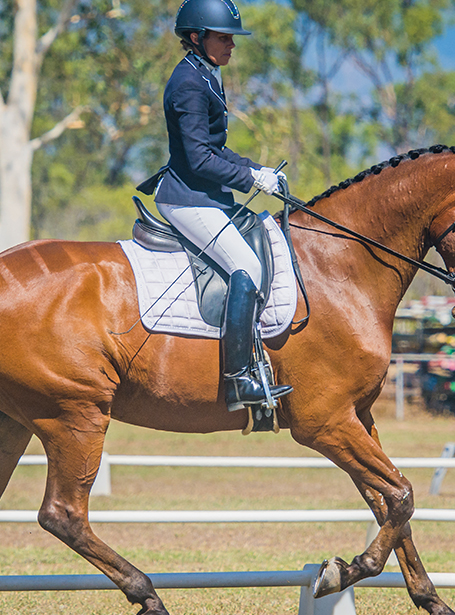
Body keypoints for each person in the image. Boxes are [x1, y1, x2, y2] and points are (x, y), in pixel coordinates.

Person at [139, 0, 291, 411]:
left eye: (231, 39)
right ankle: (239, 379)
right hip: (186, 198)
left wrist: (258, 169)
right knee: (248, 266)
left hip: (206, 195)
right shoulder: (187, 83)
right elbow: (198, 159)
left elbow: (216, 149)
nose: (231, 46)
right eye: (223, 38)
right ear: (196, 37)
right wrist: (249, 180)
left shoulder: (205, 76)